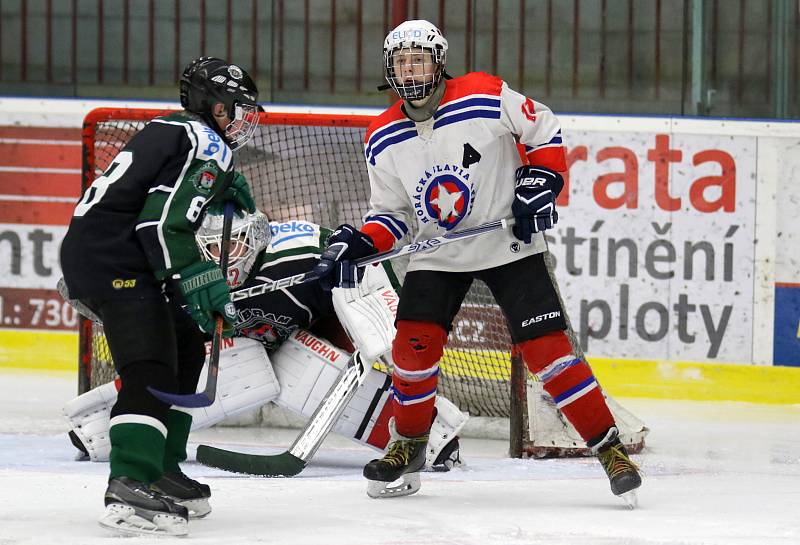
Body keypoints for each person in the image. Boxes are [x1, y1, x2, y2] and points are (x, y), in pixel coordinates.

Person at [312, 20, 643, 504]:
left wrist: (541, 184)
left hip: (507, 243)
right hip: (437, 253)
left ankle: (611, 450)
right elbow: (393, 216)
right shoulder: (381, 135)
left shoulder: (484, 94)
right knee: (411, 350)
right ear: (390, 68)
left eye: (419, 58)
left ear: (439, 62)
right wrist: (361, 243)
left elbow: (544, 129)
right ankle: (408, 446)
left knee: (549, 353)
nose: (410, 68)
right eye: (401, 61)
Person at [63, 211, 466, 475]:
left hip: (315, 333)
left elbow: (366, 267)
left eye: (232, 244)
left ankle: (431, 432)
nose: (223, 257)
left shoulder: (300, 252)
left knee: (301, 370)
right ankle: (105, 423)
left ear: (254, 237)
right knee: (241, 366)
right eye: (212, 248)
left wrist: (381, 328)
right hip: (243, 345)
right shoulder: (186, 275)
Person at [59, 56, 260, 536]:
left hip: (106, 252)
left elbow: (155, 200)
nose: (240, 119)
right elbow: (160, 223)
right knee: (148, 364)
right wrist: (197, 278)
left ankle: (160, 468)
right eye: (234, 107)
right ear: (211, 105)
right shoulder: (205, 139)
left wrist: (221, 185)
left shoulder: (173, 130)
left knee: (185, 348)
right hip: (119, 260)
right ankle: (129, 481)